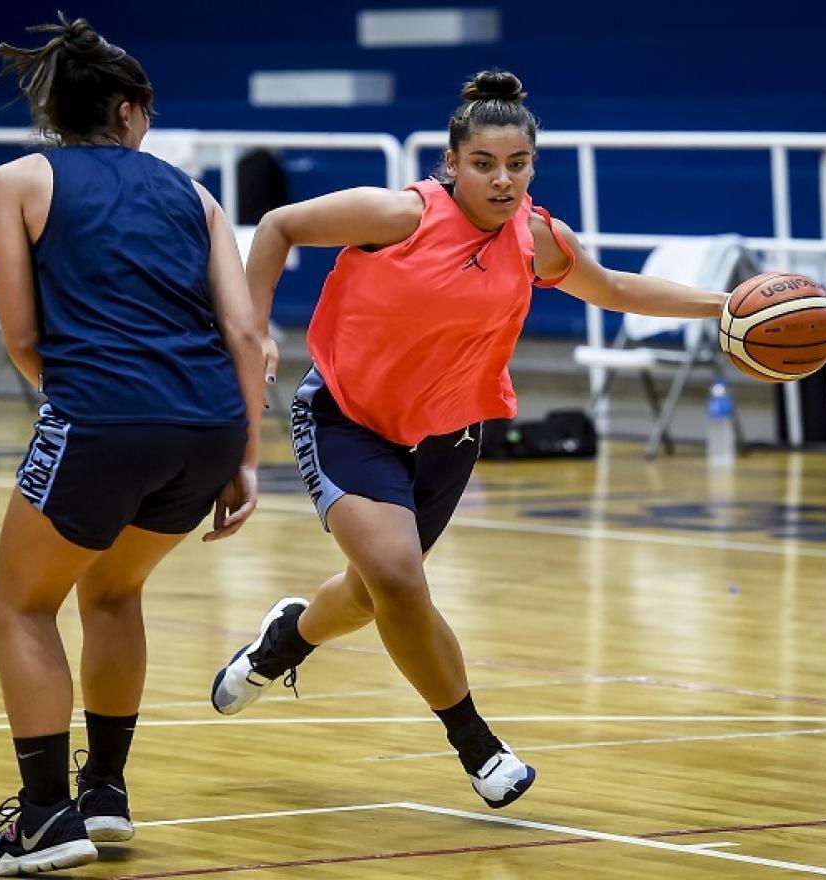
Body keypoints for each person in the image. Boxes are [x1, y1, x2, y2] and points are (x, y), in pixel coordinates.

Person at [211, 70, 729, 808]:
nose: (502, 180)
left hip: (449, 438)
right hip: (346, 418)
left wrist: (726, 305)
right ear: (452, 165)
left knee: (371, 593)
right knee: (396, 578)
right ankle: (477, 745)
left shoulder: (538, 239)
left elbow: (612, 288)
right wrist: (255, 331)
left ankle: (287, 638)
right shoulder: (399, 215)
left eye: (517, 165)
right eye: (484, 164)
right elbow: (278, 226)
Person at [0, 13, 264, 876]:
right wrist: (245, 457)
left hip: (101, 414)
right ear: (129, 111)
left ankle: (49, 819)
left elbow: (21, 332)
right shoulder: (196, 196)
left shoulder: (17, 180)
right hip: (207, 425)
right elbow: (245, 334)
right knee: (112, 590)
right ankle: (107, 793)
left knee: (20, 603)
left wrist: (81, 403)